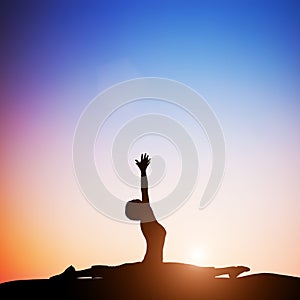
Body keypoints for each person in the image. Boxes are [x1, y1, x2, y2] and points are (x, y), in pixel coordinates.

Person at [50, 153, 249, 280]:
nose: (141, 202)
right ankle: (73, 275)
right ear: (139, 210)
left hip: (153, 267)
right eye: (139, 203)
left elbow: (145, 198)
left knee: (190, 272)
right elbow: (146, 194)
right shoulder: (148, 222)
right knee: (111, 272)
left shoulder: (148, 223)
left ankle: (229, 270)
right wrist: (143, 173)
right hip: (150, 269)